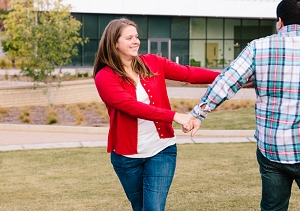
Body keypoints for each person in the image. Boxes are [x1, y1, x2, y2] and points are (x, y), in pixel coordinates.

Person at [183, 0, 300, 210]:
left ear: (280, 21)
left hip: (271, 148)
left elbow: (227, 81)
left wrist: (197, 115)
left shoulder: (258, 47)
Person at [93, 17, 220, 211]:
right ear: (114, 43)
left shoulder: (152, 62)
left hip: (162, 150)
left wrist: (231, 77)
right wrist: (174, 116)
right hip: (127, 157)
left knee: (153, 209)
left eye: (136, 36)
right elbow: (131, 106)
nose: (136, 41)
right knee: (140, 209)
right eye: (129, 38)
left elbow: (188, 74)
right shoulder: (105, 77)